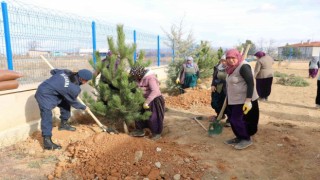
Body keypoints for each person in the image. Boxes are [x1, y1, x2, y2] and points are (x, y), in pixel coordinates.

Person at [35, 69, 93, 150]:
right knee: (47, 114)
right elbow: (74, 102)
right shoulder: (73, 88)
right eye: (86, 81)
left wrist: (59, 80)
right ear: (82, 80)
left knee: (65, 104)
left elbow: (53, 71)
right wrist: (84, 107)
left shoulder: (66, 72)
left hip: (55, 93)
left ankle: (63, 124)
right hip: (44, 94)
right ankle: (47, 141)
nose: (86, 82)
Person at [224, 49, 259, 150]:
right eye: (228, 58)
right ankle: (239, 137)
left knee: (237, 119)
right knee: (231, 119)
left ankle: (246, 139)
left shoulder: (243, 66)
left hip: (243, 100)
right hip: (233, 99)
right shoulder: (231, 68)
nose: (230, 60)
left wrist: (248, 100)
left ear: (237, 57)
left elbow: (250, 83)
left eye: (233, 58)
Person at [129, 66, 165, 140]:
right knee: (139, 115)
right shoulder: (138, 77)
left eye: (135, 75)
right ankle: (140, 130)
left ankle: (156, 133)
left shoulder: (150, 78)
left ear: (140, 74)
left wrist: (147, 102)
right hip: (142, 99)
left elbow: (155, 91)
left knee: (153, 117)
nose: (134, 77)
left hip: (153, 100)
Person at [210, 55, 230, 126]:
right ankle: (220, 115)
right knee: (215, 103)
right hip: (218, 88)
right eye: (222, 60)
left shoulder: (232, 68)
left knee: (228, 104)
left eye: (225, 61)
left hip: (228, 89)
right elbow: (214, 77)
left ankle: (230, 119)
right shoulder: (217, 67)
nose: (223, 62)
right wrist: (213, 85)